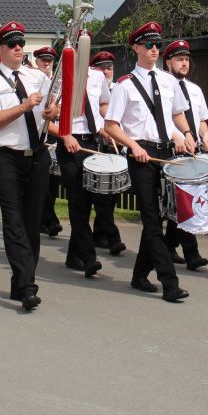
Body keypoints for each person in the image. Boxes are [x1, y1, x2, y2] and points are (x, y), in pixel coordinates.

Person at [102, 21, 194, 302]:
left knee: (167, 217)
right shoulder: (124, 86)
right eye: (148, 44)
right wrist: (131, 145)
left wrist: (186, 133)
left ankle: (139, 275)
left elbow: (177, 114)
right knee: (152, 220)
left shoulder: (168, 81)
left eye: (157, 44)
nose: (155, 49)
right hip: (141, 155)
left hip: (166, 153)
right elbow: (111, 125)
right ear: (136, 48)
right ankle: (170, 283)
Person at [0, 21, 53, 311]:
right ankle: (27, 286)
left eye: (21, 42)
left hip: (36, 155)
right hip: (6, 158)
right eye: (12, 44)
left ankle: (21, 281)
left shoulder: (38, 78)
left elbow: (53, 111)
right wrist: (23, 105)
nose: (19, 48)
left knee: (32, 223)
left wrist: (52, 111)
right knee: (14, 221)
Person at [54, 35, 111, 277]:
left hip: (92, 142)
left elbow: (104, 105)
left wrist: (105, 128)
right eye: (78, 49)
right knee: (77, 202)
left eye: (85, 49)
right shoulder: (57, 79)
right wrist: (65, 135)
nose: (82, 53)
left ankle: (72, 255)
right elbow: (46, 119)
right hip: (69, 142)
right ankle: (89, 258)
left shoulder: (97, 76)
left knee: (88, 203)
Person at [161, 40, 208, 271]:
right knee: (184, 200)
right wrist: (179, 137)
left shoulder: (195, 89)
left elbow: (201, 119)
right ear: (168, 61)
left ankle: (168, 245)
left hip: (195, 149)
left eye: (187, 59)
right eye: (179, 59)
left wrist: (206, 137)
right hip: (174, 149)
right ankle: (192, 254)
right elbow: (163, 119)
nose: (184, 63)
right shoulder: (162, 86)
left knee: (181, 202)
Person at [88, 51, 125, 255]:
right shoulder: (94, 87)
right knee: (101, 194)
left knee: (112, 194)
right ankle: (112, 236)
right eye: (102, 68)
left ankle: (99, 233)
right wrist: (103, 131)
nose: (106, 71)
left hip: (116, 146)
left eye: (109, 67)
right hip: (99, 144)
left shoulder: (120, 88)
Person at [33, 46, 63, 238]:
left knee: (53, 182)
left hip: (55, 136)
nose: (46, 63)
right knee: (42, 182)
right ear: (36, 62)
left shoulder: (56, 83)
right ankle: (48, 220)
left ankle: (45, 219)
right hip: (41, 136)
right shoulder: (34, 83)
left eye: (50, 60)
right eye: (43, 60)